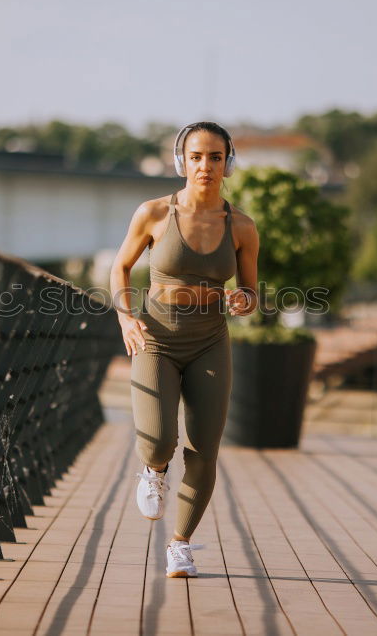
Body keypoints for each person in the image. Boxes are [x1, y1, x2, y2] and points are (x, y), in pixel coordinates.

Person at [109, 122, 259, 578]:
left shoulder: (243, 227)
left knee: (204, 446)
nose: (205, 166)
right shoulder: (153, 213)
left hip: (210, 338)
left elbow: (251, 291)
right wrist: (125, 315)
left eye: (215, 157)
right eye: (196, 157)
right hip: (154, 335)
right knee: (158, 439)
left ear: (227, 164)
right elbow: (121, 266)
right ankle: (154, 470)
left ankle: (181, 544)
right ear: (182, 162)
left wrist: (244, 300)